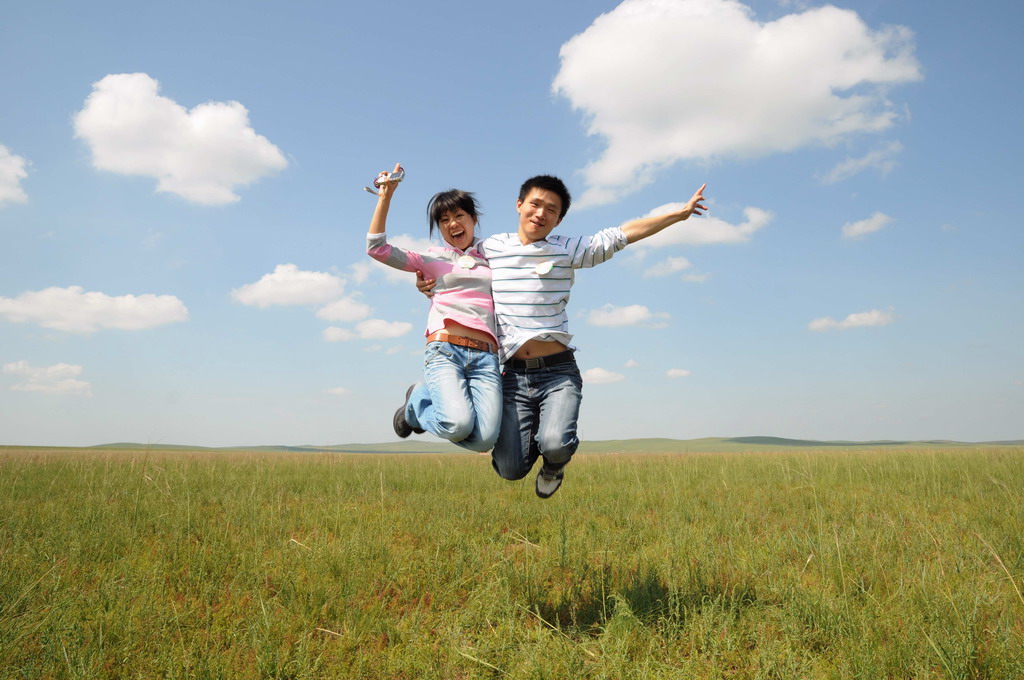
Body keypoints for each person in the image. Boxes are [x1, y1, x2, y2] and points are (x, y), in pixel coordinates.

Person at [419, 175, 706, 497]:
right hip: (512, 375)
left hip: (558, 372)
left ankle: (554, 463)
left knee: (553, 442)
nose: (541, 213)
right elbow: (454, 266)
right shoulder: (490, 249)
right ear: (519, 205)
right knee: (510, 470)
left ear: (559, 219)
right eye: (535, 204)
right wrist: (425, 283)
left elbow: (622, 235)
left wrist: (678, 215)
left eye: (551, 210)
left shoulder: (567, 249)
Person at [367, 164, 501, 452]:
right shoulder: (430, 259)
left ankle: (419, 398)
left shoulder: (495, 256)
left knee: (484, 440)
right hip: (446, 350)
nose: (452, 224)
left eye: (459, 216)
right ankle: (416, 403)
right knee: (458, 425)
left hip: (487, 357)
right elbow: (377, 248)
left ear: (473, 219)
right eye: (444, 220)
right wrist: (385, 196)